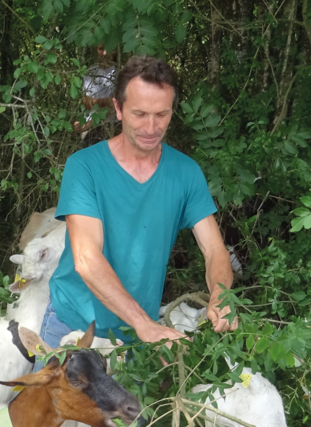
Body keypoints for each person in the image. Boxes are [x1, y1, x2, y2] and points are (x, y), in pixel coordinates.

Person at [38, 55, 238, 352]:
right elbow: (86, 258)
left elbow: (214, 250)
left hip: (134, 337)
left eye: (162, 114)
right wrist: (145, 324)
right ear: (118, 109)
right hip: (73, 328)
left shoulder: (185, 172)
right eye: (140, 114)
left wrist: (221, 296)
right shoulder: (84, 167)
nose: (151, 127)